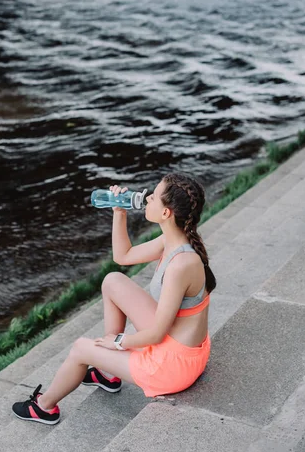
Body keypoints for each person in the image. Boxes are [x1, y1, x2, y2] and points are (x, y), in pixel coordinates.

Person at [12, 173, 216, 425]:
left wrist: (118, 341)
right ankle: (107, 373)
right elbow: (123, 255)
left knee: (80, 349)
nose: (147, 197)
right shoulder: (173, 240)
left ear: (166, 213)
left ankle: (43, 408)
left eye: (153, 195)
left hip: (173, 367)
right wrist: (119, 213)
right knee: (112, 281)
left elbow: (155, 335)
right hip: (179, 345)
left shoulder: (181, 264)